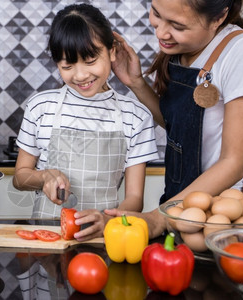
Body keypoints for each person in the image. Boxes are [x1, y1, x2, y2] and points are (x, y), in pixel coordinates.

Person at [107, 0, 243, 238]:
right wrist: (135, 82)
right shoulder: (183, 49)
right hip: (178, 204)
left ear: (218, 18)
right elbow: (180, 125)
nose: (161, 32)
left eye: (177, 25)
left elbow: (235, 162)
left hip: (220, 216)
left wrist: (159, 217)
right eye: (156, 13)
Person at [13, 3, 159, 241]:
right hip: (47, 239)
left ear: (112, 52)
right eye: (67, 66)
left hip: (104, 239)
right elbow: (20, 177)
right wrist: (44, 177)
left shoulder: (136, 116)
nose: (80, 75)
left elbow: (135, 198)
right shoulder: (40, 107)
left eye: (90, 61)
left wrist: (109, 221)